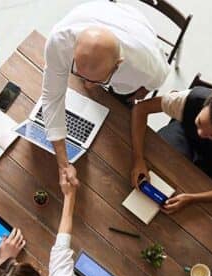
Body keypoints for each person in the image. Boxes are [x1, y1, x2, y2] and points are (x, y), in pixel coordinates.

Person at [42, 1, 171, 184]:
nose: (86, 85)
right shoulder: (59, 41)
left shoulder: (146, 67)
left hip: (134, 27)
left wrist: (142, 90)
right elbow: (51, 97)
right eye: (80, 74)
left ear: (118, 64)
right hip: (98, 12)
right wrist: (63, 163)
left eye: (94, 80)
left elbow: (157, 79)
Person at [131, 73, 212, 213]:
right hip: (183, 135)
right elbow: (140, 109)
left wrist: (193, 198)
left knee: (192, 196)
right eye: (199, 122)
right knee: (157, 163)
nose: (201, 133)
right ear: (204, 105)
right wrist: (138, 159)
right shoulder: (189, 99)